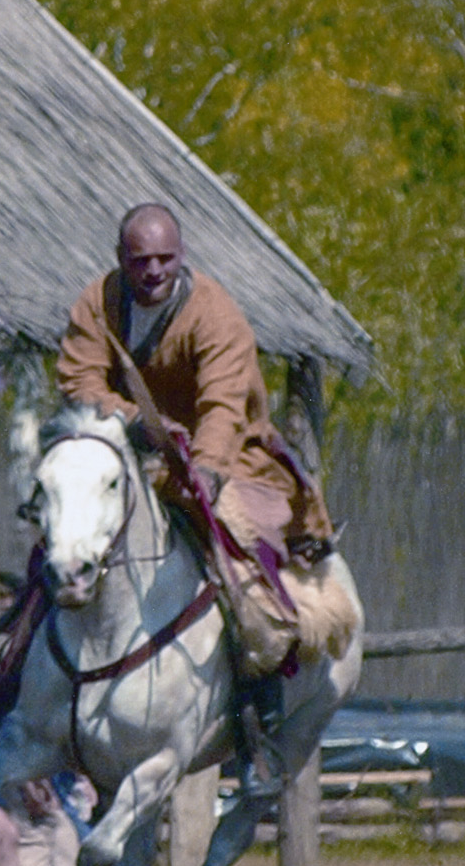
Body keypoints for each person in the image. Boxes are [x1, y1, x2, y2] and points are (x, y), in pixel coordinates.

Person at [53, 201, 343, 796]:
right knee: (62, 540)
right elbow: (78, 380)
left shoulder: (216, 314)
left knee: (246, 577)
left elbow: (223, 405)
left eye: (165, 258)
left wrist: (207, 471)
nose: (154, 271)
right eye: (141, 260)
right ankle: (18, 686)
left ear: (182, 257)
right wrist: (139, 423)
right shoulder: (97, 302)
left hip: (232, 460)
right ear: (121, 260)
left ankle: (257, 723)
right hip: (131, 455)